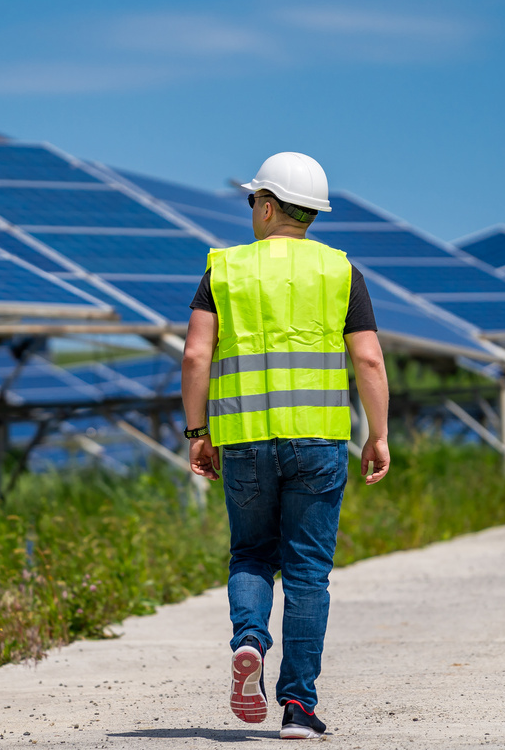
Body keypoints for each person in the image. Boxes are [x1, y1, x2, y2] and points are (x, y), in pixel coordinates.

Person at [181, 152, 391, 740]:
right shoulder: (340, 271)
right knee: (307, 574)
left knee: (251, 555)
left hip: (244, 441)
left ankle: (249, 642)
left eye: (253, 201)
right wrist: (378, 435)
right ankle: (298, 706)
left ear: (267, 205)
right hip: (319, 443)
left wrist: (198, 433)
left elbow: (197, 355)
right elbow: (369, 358)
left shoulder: (223, 271)